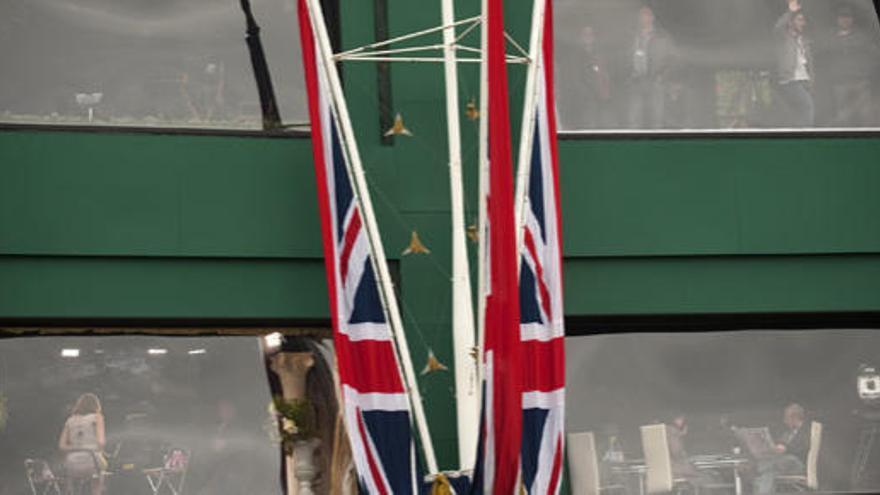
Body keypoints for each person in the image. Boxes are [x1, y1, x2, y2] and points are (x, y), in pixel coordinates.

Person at [824, 5, 878, 126]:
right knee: (843, 115)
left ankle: (866, 141)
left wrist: (866, 71)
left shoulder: (861, 37)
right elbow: (826, 57)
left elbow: (873, 55)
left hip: (860, 82)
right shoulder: (831, 37)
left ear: (852, 20)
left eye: (848, 17)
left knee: (865, 114)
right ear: (837, 20)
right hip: (840, 83)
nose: (845, 20)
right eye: (842, 17)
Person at [627, 5, 676, 129]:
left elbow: (672, 59)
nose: (643, 17)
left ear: (652, 17)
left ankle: (657, 146)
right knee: (634, 118)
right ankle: (635, 145)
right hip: (636, 81)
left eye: (647, 14)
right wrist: (629, 74)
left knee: (657, 117)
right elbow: (624, 57)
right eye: (641, 14)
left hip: (655, 81)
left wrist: (662, 76)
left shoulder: (662, 36)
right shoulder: (632, 35)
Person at [752, 403, 810, 495]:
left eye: (786, 418)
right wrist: (773, 448)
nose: (784, 421)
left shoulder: (807, 431)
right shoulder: (787, 433)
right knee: (768, 474)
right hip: (782, 463)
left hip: (798, 463)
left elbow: (804, 447)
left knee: (772, 466)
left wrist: (786, 448)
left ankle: (758, 468)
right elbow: (780, 445)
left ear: (794, 417)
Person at [774, 0, 815, 126]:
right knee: (807, 106)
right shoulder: (784, 37)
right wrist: (790, 12)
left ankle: (799, 135)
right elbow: (778, 27)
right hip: (790, 80)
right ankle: (808, 136)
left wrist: (812, 80)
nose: (802, 23)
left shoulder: (805, 39)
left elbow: (809, 63)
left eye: (803, 20)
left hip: (804, 80)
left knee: (799, 111)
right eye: (799, 20)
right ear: (791, 22)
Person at [58, 393, 107, 495]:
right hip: (92, 460)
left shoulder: (70, 420)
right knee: (100, 475)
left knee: (73, 482)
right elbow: (101, 442)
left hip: (72, 462)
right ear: (96, 406)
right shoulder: (97, 417)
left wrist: (76, 448)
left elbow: (61, 446)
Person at [666, 414, 716, 491]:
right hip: (677, 470)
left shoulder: (661, 433)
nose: (683, 422)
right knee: (711, 478)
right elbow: (677, 453)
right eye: (681, 419)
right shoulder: (673, 433)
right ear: (675, 420)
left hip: (667, 472)